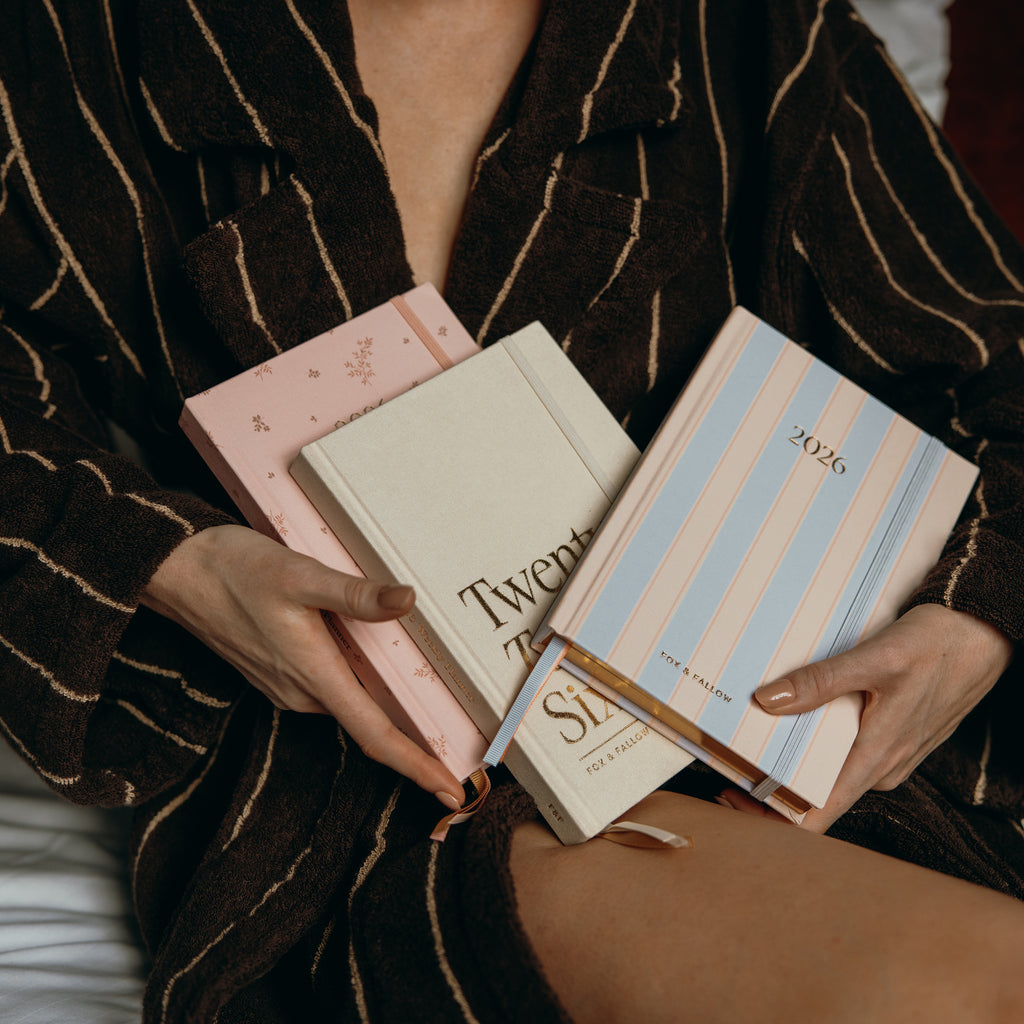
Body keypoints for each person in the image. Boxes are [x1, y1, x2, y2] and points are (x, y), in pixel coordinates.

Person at [2, 0, 1024, 1020]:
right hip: (391, 794)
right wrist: (173, 562)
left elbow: (999, 372)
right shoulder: (71, 44)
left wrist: (979, 609)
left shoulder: (752, 37)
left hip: (789, 733)